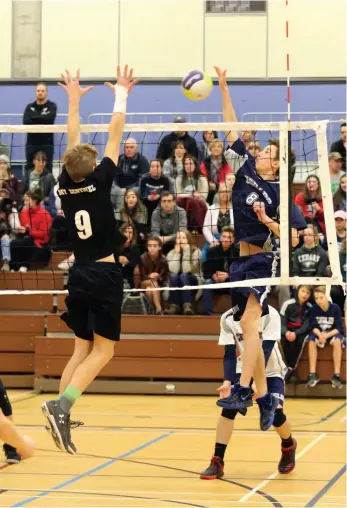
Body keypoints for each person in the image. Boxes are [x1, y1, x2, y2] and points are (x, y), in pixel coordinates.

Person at [41, 65, 139, 455]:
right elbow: (116, 134)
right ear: (91, 168)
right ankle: (61, 406)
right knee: (104, 351)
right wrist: (122, 93)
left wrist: (74, 100)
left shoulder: (64, 184)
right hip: (103, 273)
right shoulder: (100, 182)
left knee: (81, 348)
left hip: (78, 272)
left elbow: (72, 139)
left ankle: (59, 411)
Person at [214, 66, 306, 425]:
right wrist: (223, 88)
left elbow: (294, 239)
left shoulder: (282, 194)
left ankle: (243, 387)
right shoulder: (245, 170)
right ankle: (265, 398)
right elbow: (230, 128)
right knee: (245, 327)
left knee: (251, 322)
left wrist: (269, 222)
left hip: (265, 261)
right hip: (239, 262)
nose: (260, 151)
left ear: (278, 163)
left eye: (267, 150)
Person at [201, 306, 297, 479]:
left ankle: (288, 446)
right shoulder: (227, 317)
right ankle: (217, 460)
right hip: (243, 368)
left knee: (275, 414)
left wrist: (259, 384)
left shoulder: (270, 314)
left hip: (271, 370)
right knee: (228, 408)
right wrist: (227, 382)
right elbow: (230, 354)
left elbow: (265, 350)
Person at [306, 287, 345, 389]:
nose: (319, 300)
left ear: (327, 297)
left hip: (331, 334)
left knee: (337, 341)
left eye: (321, 297)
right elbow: (313, 327)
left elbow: (339, 328)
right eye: (316, 298)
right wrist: (320, 335)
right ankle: (312, 375)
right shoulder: (313, 309)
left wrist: (326, 335)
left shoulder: (335, 308)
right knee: (311, 341)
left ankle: (336, 375)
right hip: (319, 333)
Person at [9, 188, 52, 272]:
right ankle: (14, 267)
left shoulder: (45, 214)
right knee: (14, 242)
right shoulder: (24, 212)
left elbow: (43, 234)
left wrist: (28, 231)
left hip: (39, 243)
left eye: (27, 200)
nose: (25, 203)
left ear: (35, 200)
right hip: (25, 238)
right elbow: (23, 228)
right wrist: (20, 229)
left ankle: (23, 265)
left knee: (26, 241)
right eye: (24, 200)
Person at [202, 226, 239, 315]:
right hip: (216, 282)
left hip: (231, 282)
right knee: (207, 283)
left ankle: (237, 313)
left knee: (239, 285)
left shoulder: (238, 252)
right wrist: (213, 275)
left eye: (229, 237)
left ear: (233, 240)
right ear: (220, 238)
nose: (226, 239)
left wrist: (228, 275)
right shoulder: (212, 251)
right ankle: (207, 314)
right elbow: (206, 270)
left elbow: (240, 271)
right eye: (224, 236)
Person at [165, 230, 203, 315]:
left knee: (183, 275)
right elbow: (173, 270)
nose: (181, 240)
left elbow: (187, 270)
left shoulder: (196, 252)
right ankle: (174, 306)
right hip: (176, 282)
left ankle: (187, 306)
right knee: (174, 276)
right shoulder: (171, 253)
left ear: (188, 239)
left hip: (193, 280)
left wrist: (186, 252)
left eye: (183, 238)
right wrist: (177, 254)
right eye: (178, 238)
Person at [280, 285, 312, 382]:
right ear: (298, 291)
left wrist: (296, 333)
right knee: (283, 340)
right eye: (303, 291)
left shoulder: (310, 307)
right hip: (288, 331)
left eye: (307, 293)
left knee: (300, 340)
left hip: (300, 332)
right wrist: (286, 332)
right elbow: (281, 321)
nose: (305, 294)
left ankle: (291, 369)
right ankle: (289, 369)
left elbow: (306, 325)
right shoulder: (287, 304)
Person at [23, 81, 57, 172]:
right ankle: (28, 186)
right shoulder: (29, 107)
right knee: (30, 167)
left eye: (42, 91)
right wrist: (42, 118)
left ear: (46, 92)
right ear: (35, 92)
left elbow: (50, 119)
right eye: (38, 91)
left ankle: (48, 186)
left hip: (47, 144)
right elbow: (26, 122)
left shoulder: (52, 106)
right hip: (31, 143)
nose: (40, 92)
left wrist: (33, 118)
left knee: (47, 168)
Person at [175, 155, 208, 231]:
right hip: (182, 204)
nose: (188, 166)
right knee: (186, 201)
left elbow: (203, 197)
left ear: (195, 165)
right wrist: (191, 195)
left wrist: (190, 197)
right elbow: (177, 195)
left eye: (190, 164)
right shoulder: (179, 178)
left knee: (192, 201)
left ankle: (194, 228)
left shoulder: (201, 178)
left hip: (199, 205)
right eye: (186, 164)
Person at [139, 235, 169, 314]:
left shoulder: (163, 260)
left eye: (154, 246)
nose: (151, 248)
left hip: (158, 285)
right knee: (153, 282)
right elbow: (142, 277)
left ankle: (151, 310)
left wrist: (158, 276)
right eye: (149, 246)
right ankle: (159, 308)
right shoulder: (142, 258)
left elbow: (164, 278)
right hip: (144, 283)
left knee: (149, 291)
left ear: (159, 247)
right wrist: (149, 276)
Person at [200, 139, 232, 204]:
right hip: (207, 189)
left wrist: (217, 186)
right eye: (214, 146)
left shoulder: (226, 162)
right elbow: (202, 177)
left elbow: (227, 178)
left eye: (218, 147)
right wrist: (208, 184)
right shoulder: (205, 162)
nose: (216, 148)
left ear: (222, 149)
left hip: (222, 189)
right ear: (210, 149)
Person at [117, 223, 141, 288]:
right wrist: (117, 259)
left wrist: (127, 262)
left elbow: (135, 264)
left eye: (130, 232)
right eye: (125, 232)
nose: (128, 234)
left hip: (129, 278)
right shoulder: (115, 247)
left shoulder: (135, 248)